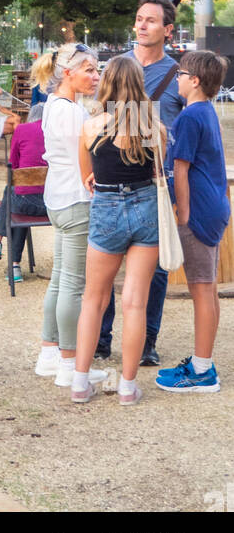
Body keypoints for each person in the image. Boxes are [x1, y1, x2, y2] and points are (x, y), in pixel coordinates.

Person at [71, 55, 165, 405]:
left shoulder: (92, 126)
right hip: (146, 210)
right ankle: (127, 387)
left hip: (107, 207)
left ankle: (80, 382)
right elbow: (158, 175)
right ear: (139, 84)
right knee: (135, 302)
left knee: (93, 299)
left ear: (107, 83)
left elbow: (88, 178)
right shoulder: (154, 128)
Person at [96, 0, 185, 367]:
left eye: (151, 20)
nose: (142, 25)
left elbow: (187, 135)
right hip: (114, 185)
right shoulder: (116, 67)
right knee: (106, 265)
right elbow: (100, 123)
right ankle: (102, 339)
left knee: (157, 271)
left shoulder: (179, 76)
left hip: (157, 186)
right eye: (138, 19)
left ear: (167, 30)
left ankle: (147, 341)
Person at [156, 50, 230, 393]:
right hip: (213, 207)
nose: (177, 79)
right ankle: (204, 363)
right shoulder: (205, 112)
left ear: (195, 80)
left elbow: (180, 169)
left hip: (198, 212)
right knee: (208, 288)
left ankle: (201, 372)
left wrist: (181, 214)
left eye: (181, 74)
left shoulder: (188, 117)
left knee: (200, 288)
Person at [34, 42, 107, 388]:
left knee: (61, 279)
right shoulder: (75, 113)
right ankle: (68, 361)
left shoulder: (53, 105)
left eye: (97, 69)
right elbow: (89, 162)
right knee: (73, 284)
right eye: (89, 70)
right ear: (68, 73)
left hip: (57, 196)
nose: (96, 76)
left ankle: (50, 353)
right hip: (76, 199)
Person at [0, 116, 48, 283]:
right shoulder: (62, 130)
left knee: (12, 192)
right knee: (14, 199)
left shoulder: (22, 129)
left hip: (26, 203)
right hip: (57, 204)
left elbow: (12, 166)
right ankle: (9, 261)